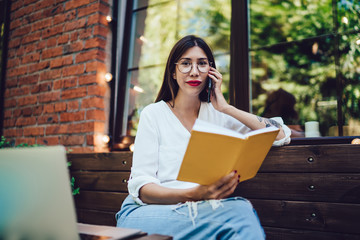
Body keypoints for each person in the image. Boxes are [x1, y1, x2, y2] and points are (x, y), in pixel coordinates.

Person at [116, 35, 291, 239]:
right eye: (185, 63)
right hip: (145, 212)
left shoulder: (219, 115)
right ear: (173, 72)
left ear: (211, 71)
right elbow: (143, 188)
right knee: (239, 213)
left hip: (203, 213)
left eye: (202, 63)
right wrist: (194, 194)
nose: (194, 71)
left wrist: (227, 108)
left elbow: (279, 135)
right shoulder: (153, 114)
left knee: (238, 213)